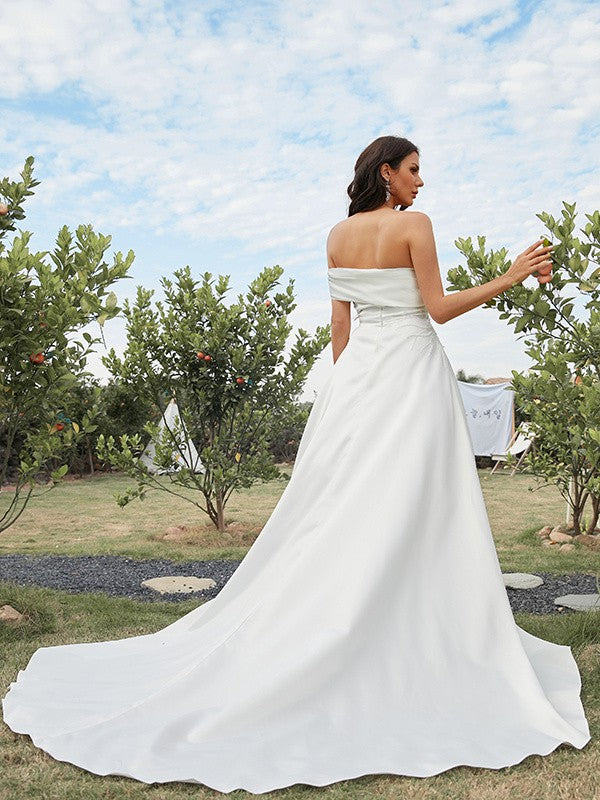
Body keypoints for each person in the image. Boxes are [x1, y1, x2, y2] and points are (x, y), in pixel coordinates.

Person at [2, 136, 591, 794]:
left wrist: (348, 396)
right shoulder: (415, 225)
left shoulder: (337, 236)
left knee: (351, 503)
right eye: (414, 170)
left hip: (359, 379)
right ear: (387, 173)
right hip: (413, 375)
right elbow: (439, 309)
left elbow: (342, 332)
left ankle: (362, 609)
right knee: (421, 499)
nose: (421, 182)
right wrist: (511, 274)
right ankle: (411, 622)